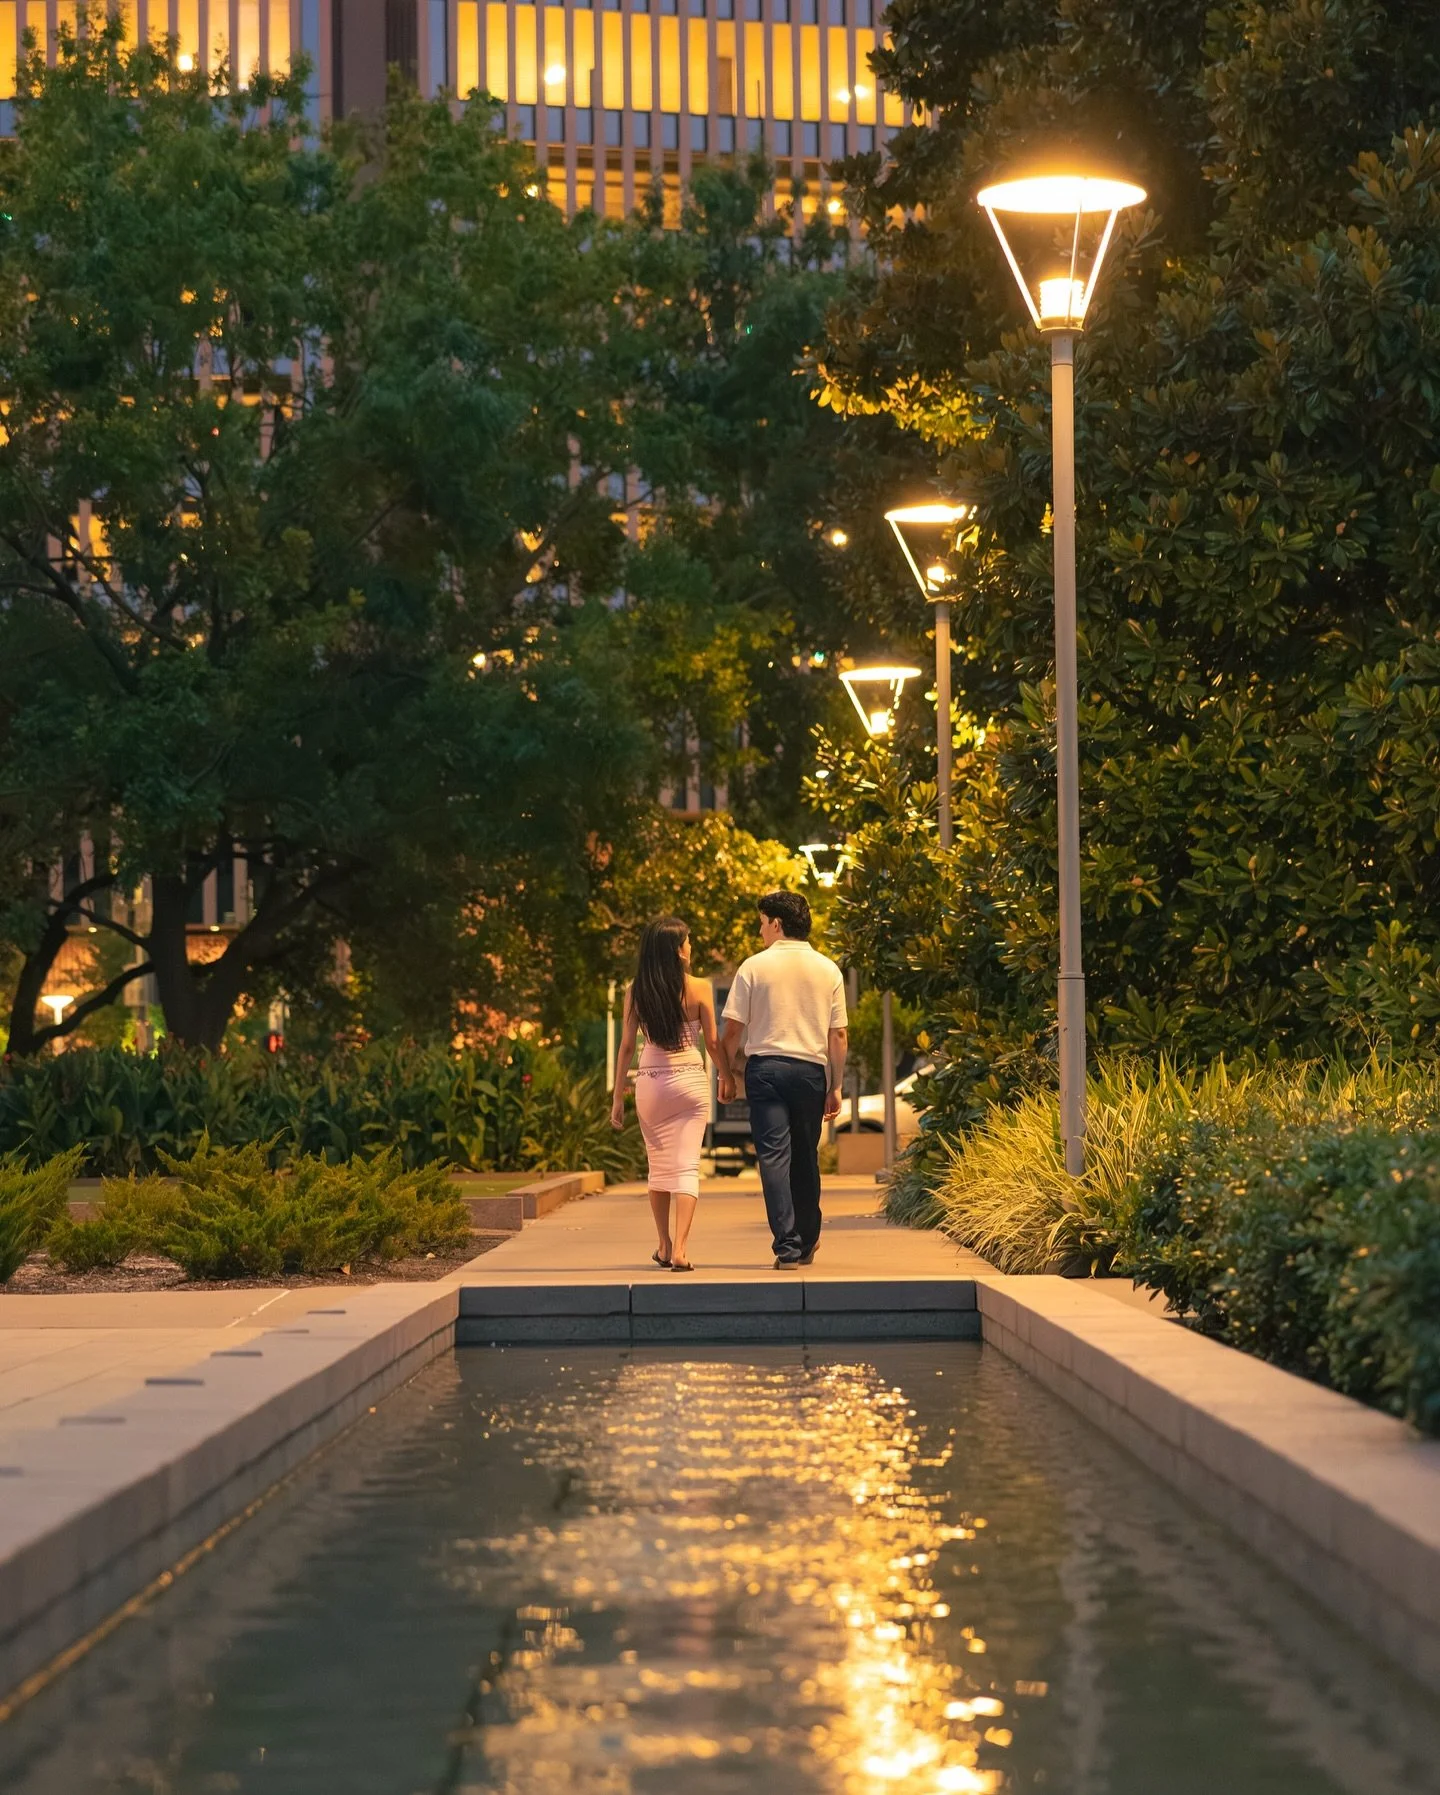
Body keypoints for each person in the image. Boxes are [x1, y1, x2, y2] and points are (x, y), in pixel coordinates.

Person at [719, 891, 847, 1269]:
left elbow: (732, 1031)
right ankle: (807, 1242)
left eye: (762, 923)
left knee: (774, 1159)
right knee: (806, 1157)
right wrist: (835, 1085)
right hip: (810, 1073)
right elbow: (837, 1035)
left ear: (776, 923)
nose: (760, 931)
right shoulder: (828, 969)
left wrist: (725, 1073)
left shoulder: (754, 967)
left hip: (767, 1072)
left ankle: (787, 1248)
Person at [610, 917, 721, 1272]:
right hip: (690, 1080)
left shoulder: (636, 991)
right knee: (687, 1166)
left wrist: (617, 1097)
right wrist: (729, 1078)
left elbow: (627, 1047)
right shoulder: (700, 988)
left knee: (657, 1168)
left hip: (652, 1082)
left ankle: (663, 1244)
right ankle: (681, 1251)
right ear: (678, 950)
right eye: (688, 942)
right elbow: (714, 1043)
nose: (691, 947)